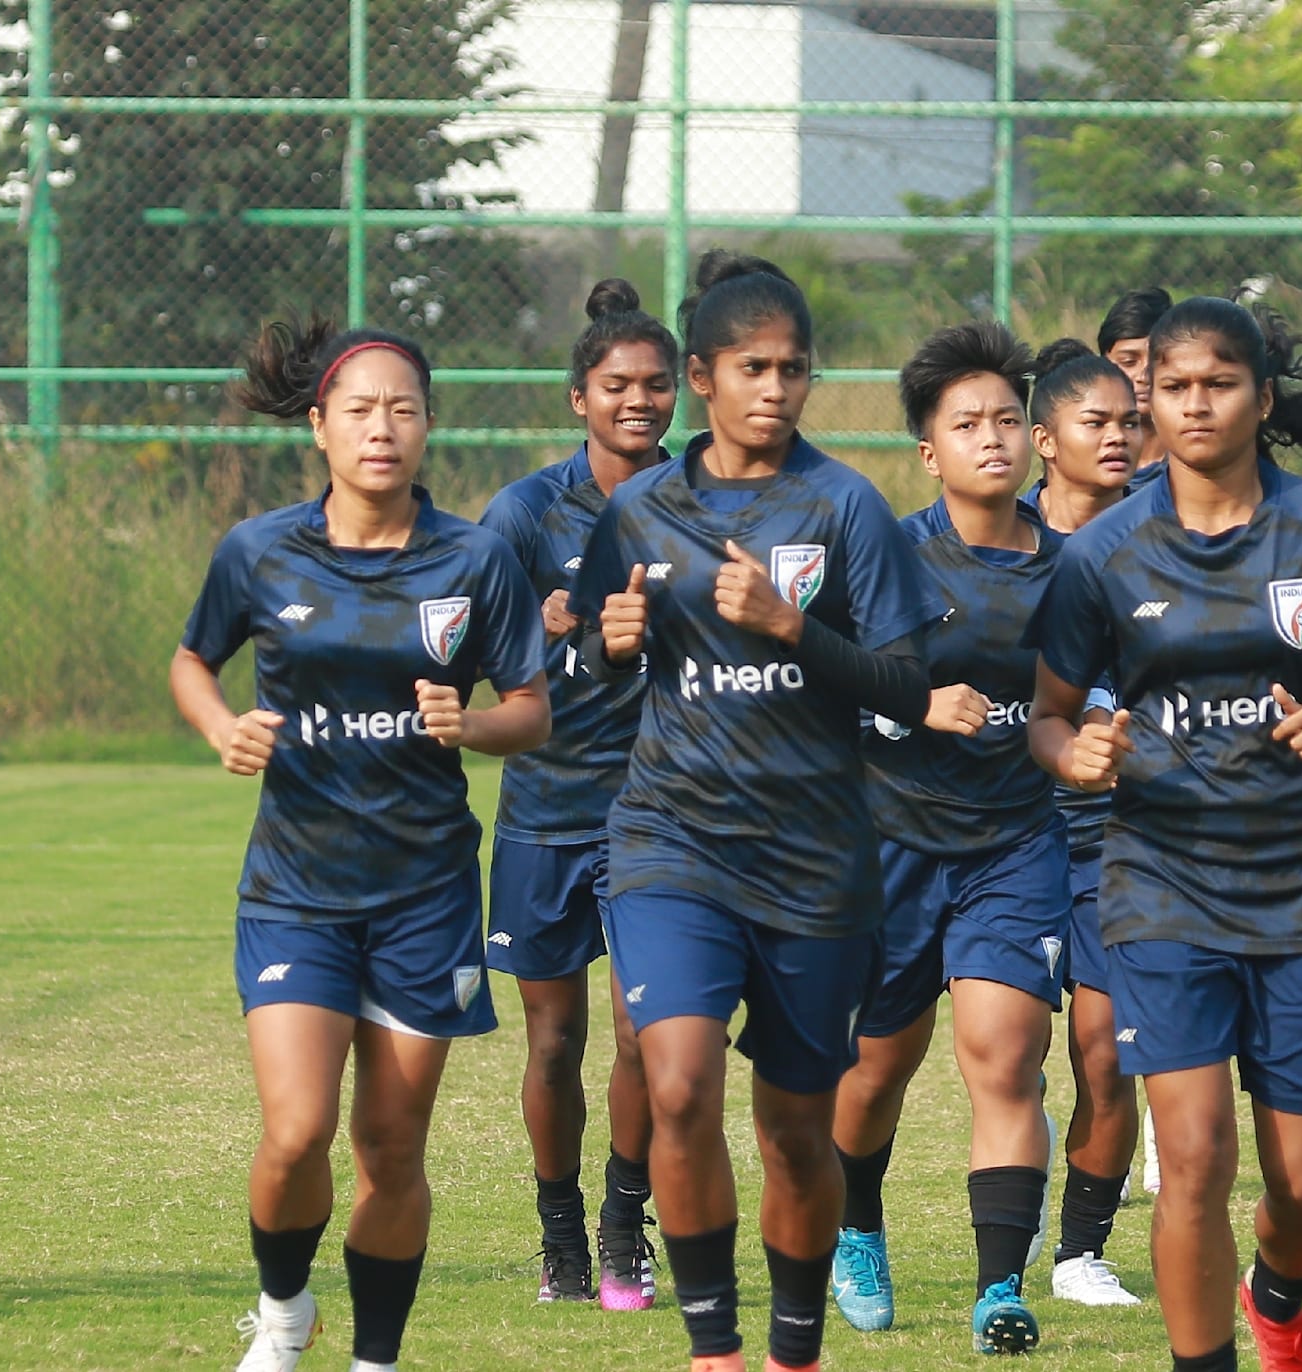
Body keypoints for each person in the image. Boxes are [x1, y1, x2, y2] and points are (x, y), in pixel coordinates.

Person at [1024, 297, 1302, 1372]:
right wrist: (1072, 753)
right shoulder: (1103, 551)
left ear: (1260, 397)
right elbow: (1049, 712)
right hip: (1159, 880)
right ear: (1150, 401)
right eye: (1175, 386)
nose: (1195, 403)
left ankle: (1281, 1291)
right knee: (1197, 1157)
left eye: (1219, 382)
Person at [569, 249, 944, 1372]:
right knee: (676, 1080)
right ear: (701, 376)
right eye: (752, 367)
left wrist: (793, 630)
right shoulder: (640, 510)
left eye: (793, 369)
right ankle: (713, 1351)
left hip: (817, 859)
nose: (774, 388)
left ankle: (793, 1350)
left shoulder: (843, 505)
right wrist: (605, 645)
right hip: (670, 841)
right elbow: (581, 665)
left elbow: (913, 687)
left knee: (793, 1131)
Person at [175, 316, 551, 1372]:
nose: (381, 428)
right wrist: (219, 725)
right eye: (358, 409)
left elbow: (533, 707)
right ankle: (284, 1310)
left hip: (426, 894)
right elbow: (192, 661)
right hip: (296, 888)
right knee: (296, 1132)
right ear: (319, 427)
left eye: (402, 408)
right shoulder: (257, 551)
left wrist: (468, 724)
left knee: (390, 1150)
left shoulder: (474, 558)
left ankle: (374, 1360)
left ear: (427, 424)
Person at [828, 322, 1069, 1354]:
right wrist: (911, 704)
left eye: (1007, 419)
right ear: (929, 451)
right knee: (875, 1070)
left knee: (1003, 1054)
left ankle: (996, 1290)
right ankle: (856, 1224)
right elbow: (812, 690)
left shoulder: (1078, 568)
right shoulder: (882, 557)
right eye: (965, 423)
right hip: (889, 846)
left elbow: (1121, 679)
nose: (991, 438)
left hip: (1017, 845)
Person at [476, 278, 675, 1312]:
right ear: (578, 398)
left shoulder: (703, 500)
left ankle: (622, 1226)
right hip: (548, 811)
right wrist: (539, 633)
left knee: (650, 1030)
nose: (637, 401)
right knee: (554, 1041)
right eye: (615, 385)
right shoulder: (523, 513)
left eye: (655, 384)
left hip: (664, 813)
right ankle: (557, 1233)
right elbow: (467, 666)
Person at [1025, 338, 1152, 1307]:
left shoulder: (1164, 538)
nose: (1117, 436)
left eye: (1127, 421)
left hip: (1118, 836)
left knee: (1104, 1052)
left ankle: (1078, 1250)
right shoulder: (1001, 538)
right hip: (1004, 830)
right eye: (1095, 422)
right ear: (1043, 440)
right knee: (1004, 1048)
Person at [1099, 286, 1175, 470]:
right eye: (1129, 361)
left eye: (1157, 360)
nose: (1144, 376)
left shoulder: (1195, 463)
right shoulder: (1085, 462)